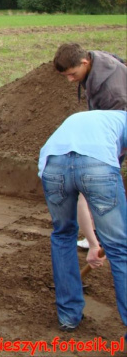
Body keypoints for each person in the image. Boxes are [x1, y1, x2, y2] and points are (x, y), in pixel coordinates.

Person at [38, 110, 127, 331]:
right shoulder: (121, 122)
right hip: (97, 167)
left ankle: (68, 316)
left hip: (54, 167)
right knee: (119, 249)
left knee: (62, 235)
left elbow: (80, 198)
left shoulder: (93, 121)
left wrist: (93, 243)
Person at [53, 43, 127, 265]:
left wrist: (106, 158)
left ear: (85, 62)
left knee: (98, 184)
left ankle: (109, 237)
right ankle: (98, 234)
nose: (70, 80)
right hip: (107, 130)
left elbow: (118, 126)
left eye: (72, 74)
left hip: (115, 133)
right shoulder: (95, 64)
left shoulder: (113, 92)